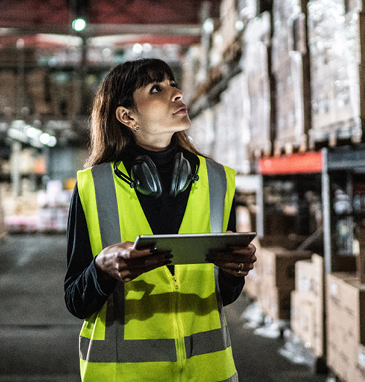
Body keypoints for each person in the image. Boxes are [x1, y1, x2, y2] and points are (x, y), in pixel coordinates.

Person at [64, 58, 257, 382]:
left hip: (208, 374)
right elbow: (75, 300)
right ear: (127, 116)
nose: (177, 93)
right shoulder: (94, 188)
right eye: (157, 88)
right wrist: (101, 269)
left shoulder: (218, 181)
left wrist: (234, 270)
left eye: (173, 84)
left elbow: (223, 294)